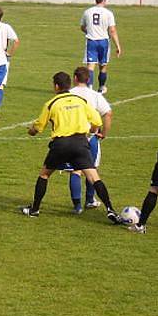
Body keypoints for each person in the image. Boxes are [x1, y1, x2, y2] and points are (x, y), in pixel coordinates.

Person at [20, 71, 122, 224]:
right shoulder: (81, 101)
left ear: (56, 86)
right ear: (69, 84)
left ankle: (34, 209)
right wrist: (93, 130)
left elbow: (38, 128)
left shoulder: (51, 104)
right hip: (80, 143)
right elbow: (97, 121)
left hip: (60, 144)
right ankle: (110, 209)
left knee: (44, 175)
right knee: (94, 177)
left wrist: (30, 130)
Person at [65, 66, 113, 214]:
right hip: (90, 137)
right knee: (92, 170)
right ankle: (90, 200)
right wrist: (103, 133)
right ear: (89, 79)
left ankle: (77, 206)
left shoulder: (67, 94)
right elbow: (108, 114)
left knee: (75, 171)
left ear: (74, 78)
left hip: (71, 138)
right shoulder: (95, 95)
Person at [80, 0, 122, 94]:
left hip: (91, 41)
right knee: (103, 66)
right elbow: (112, 30)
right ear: (104, 1)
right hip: (103, 42)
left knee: (90, 66)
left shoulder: (87, 12)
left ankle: (89, 89)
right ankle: (101, 87)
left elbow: (82, 27)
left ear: (96, 1)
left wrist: (89, 31)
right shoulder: (108, 13)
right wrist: (118, 46)